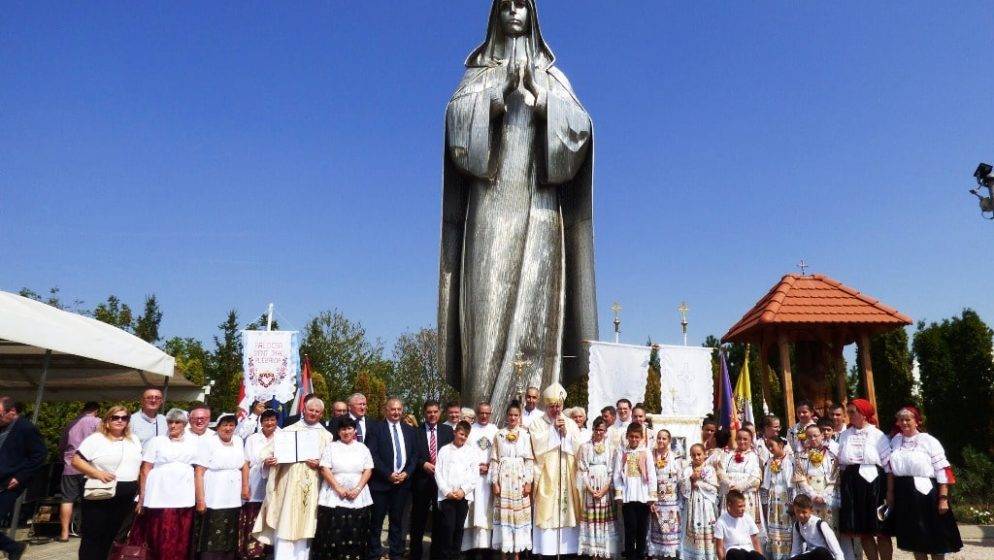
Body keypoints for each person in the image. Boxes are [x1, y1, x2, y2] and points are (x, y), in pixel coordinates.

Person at [252, 397, 333, 560]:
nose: (314, 414)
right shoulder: (287, 431)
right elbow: (266, 453)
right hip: (287, 485)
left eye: (317, 412)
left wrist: (319, 463)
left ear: (321, 414)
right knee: (286, 523)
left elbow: (330, 463)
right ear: (304, 409)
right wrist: (269, 461)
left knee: (305, 525)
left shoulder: (327, 436)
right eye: (311, 410)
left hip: (311, 487)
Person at [884, 405, 962, 559]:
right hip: (904, 493)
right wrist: (890, 493)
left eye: (908, 419)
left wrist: (943, 499)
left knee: (934, 537)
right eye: (901, 420)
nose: (904, 423)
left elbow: (942, 469)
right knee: (914, 538)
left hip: (926, 493)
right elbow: (891, 470)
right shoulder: (895, 441)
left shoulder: (928, 441)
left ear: (917, 421)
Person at [72, 405, 144, 560]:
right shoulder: (96, 439)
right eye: (115, 417)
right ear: (107, 421)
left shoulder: (134, 440)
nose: (120, 421)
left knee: (111, 535)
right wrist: (97, 473)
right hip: (100, 492)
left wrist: (140, 492)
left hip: (126, 494)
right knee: (93, 535)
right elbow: (76, 461)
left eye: (124, 418)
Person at [131, 408, 200, 560]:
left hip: (183, 496)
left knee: (180, 535)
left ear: (184, 424)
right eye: (170, 422)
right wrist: (142, 496)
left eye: (177, 422)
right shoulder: (156, 441)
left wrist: (200, 497)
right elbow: (146, 469)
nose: (173, 425)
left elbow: (199, 470)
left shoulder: (194, 442)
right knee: (158, 533)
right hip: (158, 496)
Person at [529, 383, 582, 557]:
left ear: (562, 406)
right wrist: (553, 430)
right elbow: (537, 446)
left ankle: (568, 550)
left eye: (558, 406)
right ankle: (546, 551)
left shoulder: (571, 423)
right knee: (547, 511)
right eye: (552, 406)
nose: (555, 410)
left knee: (568, 510)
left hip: (567, 472)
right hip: (546, 473)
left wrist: (565, 434)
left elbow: (578, 447)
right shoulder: (537, 423)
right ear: (546, 406)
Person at [311, 417, 374, 560]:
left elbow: (368, 469)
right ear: (338, 432)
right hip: (334, 495)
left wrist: (357, 489)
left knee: (356, 532)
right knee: (333, 533)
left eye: (349, 428)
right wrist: (338, 488)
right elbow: (324, 468)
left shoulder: (362, 448)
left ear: (354, 430)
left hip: (358, 496)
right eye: (343, 429)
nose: (346, 432)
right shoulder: (331, 447)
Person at [836, 399, 891, 560]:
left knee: (880, 529)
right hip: (852, 482)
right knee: (863, 530)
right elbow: (841, 462)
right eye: (849, 412)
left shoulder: (877, 435)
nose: (849, 416)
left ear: (864, 414)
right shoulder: (845, 435)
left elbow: (888, 464)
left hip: (875, 483)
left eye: (853, 412)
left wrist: (889, 490)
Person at [366, 398, 418, 560]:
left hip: (402, 484)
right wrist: (388, 473)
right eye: (393, 409)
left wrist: (406, 473)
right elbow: (372, 455)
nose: (396, 412)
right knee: (376, 521)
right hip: (381, 484)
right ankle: (374, 553)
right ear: (386, 410)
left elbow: (414, 456)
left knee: (397, 522)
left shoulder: (410, 431)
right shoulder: (375, 429)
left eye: (399, 409)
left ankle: (396, 553)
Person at [193, 414, 248, 560]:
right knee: (212, 532)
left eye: (231, 425)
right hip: (214, 496)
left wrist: (245, 488)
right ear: (218, 427)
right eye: (225, 425)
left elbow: (244, 465)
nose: (228, 428)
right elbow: (199, 472)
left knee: (230, 532)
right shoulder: (208, 443)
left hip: (233, 497)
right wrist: (200, 500)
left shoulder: (238, 441)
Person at [411, 400, 456, 560]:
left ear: (440, 412)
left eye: (435, 411)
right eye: (429, 412)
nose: (432, 414)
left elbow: (453, 454)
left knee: (440, 521)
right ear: (424, 413)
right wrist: (423, 464)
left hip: (441, 483)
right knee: (418, 521)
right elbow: (412, 456)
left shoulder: (448, 431)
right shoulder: (416, 432)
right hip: (422, 482)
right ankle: (415, 554)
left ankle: (435, 555)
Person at [0, 397, 43, 560]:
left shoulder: (25, 428)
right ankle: (14, 547)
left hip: (9, 484)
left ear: (11, 412)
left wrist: (20, 477)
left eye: (0, 415)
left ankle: (14, 548)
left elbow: (39, 455)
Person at [490, 402, 534, 558]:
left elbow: (529, 460)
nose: (513, 418)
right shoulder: (499, 435)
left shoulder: (525, 435)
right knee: (504, 515)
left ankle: (516, 554)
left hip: (520, 479)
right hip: (504, 479)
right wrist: (495, 482)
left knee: (518, 516)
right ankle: (503, 553)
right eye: (510, 415)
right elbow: (494, 459)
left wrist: (528, 482)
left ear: (519, 417)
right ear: (506, 416)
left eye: (516, 415)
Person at [435, 421, 479, 560]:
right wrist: (446, 491)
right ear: (455, 432)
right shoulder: (444, 450)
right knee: (448, 528)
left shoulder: (471, 452)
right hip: (447, 496)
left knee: (459, 528)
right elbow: (438, 472)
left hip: (462, 497)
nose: (463, 437)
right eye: (461, 434)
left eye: (466, 435)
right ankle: (445, 556)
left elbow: (474, 474)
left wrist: (463, 490)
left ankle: (455, 556)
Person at [58, 401, 101, 542]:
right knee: (88, 499)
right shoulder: (97, 421)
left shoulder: (72, 423)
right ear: (96, 410)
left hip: (70, 465)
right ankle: (85, 530)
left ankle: (64, 533)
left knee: (67, 499)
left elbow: (62, 445)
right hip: (88, 466)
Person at [240, 408, 279, 560]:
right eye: (266, 420)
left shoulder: (282, 438)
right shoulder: (252, 439)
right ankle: (252, 552)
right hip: (255, 482)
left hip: (275, 484)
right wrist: (244, 486)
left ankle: (270, 552)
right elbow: (246, 463)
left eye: (273, 420)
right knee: (253, 518)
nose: (269, 423)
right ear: (261, 422)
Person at [614, 422, 656, 560]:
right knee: (630, 529)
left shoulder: (646, 452)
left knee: (642, 529)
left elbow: (651, 474)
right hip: (628, 496)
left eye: (637, 437)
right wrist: (619, 492)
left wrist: (652, 495)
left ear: (641, 438)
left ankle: (640, 555)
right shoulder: (622, 452)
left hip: (643, 496)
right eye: (631, 436)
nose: (634, 439)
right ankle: (630, 556)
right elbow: (617, 474)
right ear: (627, 436)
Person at [577, 417, 618, 559]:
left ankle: (604, 552)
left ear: (606, 431)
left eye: (602, 430)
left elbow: (612, 471)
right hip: (591, 487)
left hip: (604, 489)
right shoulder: (585, 447)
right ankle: (593, 552)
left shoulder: (611, 448)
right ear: (593, 429)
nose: (599, 432)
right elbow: (582, 470)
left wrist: (604, 490)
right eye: (597, 429)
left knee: (604, 520)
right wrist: (589, 488)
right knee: (592, 520)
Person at [462, 402, 499, 556]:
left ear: (491, 414)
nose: (484, 416)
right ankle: (470, 549)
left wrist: (490, 467)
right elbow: (464, 452)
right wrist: (476, 467)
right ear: (477, 413)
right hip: (473, 478)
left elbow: (499, 453)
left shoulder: (495, 430)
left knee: (486, 513)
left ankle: (487, 550)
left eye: (487, 413)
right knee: (473, 511)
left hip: (489, 479)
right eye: (481, 413)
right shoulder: (469, 431)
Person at [719, 429, 765, 538]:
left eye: (745, 439)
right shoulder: (728, 455)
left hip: (746, 496)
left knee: (745, 527)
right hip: (730, 493)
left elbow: (756, 477)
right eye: (739, 438)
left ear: (750, 440)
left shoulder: (754, 456)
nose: (742, 441)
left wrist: (741, 486)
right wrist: (730, 484)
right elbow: (721, 471)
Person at [648, 429, 684, 560]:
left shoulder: (675, 457)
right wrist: (651, 500)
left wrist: (680, 500)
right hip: (656, 500)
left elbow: (680, 479)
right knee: (657, 534)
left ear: (669, 441)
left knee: (670, 533)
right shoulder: (651, 455)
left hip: (671, 501)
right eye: (659, 438)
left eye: (664, 438)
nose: (661, 441)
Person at [793, 425, 838, 529]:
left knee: (830, 529)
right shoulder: (801, 457)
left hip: (827, 496)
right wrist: (812, 495)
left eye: (815, 436)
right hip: (809, 498)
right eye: (809, 436)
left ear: (822, 436)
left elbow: (835, 478)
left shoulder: (831, 456)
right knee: (812, 529)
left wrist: (824, 496)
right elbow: (800, 479)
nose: (812, 439)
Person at [680, 443, 719, 560]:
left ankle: (709, 555)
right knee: (692, 526)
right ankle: (694, 554)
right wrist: (690, 480)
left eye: (699, 454)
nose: (696, 457)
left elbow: (713, 488)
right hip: (692, 502)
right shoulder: (687, 470)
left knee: (707, 525)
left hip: (705, 503)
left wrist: (698, 483)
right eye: (693, 455)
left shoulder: (709, 469)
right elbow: (683, 488)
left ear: (704, 455)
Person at [761, 437, 794, 560]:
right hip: (773, 500)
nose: (770, 448)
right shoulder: (769, 462)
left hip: (785, 499)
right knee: (774, 531)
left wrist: (792, 503)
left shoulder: (790, 460)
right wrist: (764, 504)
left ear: (780, 444)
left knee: (787, 530)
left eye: (772, 445)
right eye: (767, 446)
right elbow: (765, 484)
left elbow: (791, 484)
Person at [714, 490, 764, 560]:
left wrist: (760, 556)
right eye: (740, 506)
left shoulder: (747, 518)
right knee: (737, 555)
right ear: (729, 505)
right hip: (732, 551)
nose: (743, 509)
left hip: (748, 550)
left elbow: (755, 540)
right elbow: (719, 547)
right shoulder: (721, 522)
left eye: (744, 506)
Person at [789, 494, 843, 560]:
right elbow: (795, 551)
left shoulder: (821, 525)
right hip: (811, 555)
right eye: (797, 511)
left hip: (824, 556)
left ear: (811, 510)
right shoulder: (797, 526)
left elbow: (837, 551)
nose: (800, 515)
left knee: (820, 551)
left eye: (804, 512)